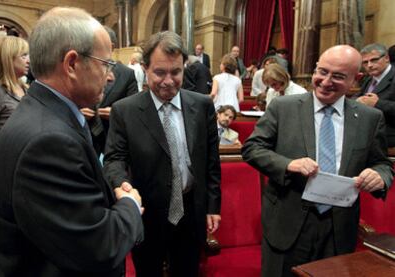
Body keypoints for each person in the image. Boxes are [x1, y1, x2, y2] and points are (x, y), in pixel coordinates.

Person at [0, 7, 144, 276]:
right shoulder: (48, 141)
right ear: (71, 64)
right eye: (106, 64)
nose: (111, 76)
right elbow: (99, 247)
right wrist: (129, 204)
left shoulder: (43, 113)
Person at [242, 45, 394, 277]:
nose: (325, 81)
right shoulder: (284, 107)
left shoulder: (370, 118)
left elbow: (382, 164)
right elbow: (252, 148)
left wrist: (379, 177)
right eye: (322, 72)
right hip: (287, 222)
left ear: (356, 78)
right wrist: (288, 164)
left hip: (338, 229)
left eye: (338, 76)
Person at [103, 30, 221, 277]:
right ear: (145, 68)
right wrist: (122, 185)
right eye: (160, 72)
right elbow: (115, 158)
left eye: (176, 72)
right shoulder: (125, 110)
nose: (169, 80)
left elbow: (211, 161)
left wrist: (212, 206)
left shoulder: (202, 106)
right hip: (149, 214)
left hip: (191, 212)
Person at [81, 25, 138, 155]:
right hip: (84, 136)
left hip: (112, 139)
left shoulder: (126, 74)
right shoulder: (81, 69)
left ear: (111, 47)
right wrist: (78, 112)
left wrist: (116, 113)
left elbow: (134, 110)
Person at [0, 36, 29, 151]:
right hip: (8, 164)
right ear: (8, 59)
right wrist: (6, 150)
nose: (28, 61)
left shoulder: (24, 87)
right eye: (24, 56)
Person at [357, 43, 395, 147]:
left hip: (388, 138)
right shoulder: (369, 79)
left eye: (374, 60)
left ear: (386, 58)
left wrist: (378, 103)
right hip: (368, 135)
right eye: (365, 62)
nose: (369, 65)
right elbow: (358, 96)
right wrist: (357, 100)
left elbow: (374, 103)